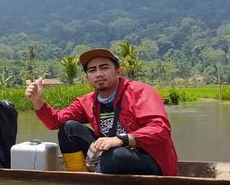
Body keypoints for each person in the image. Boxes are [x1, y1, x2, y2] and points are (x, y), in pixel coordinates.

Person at [25, 48, 178, 176]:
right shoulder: (87, 101)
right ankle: (81, 176)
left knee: (117, 155)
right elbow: (56, 121)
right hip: (108, 155)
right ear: (87, 78)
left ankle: (98, 182)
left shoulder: (140, 92)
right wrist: (37, 101)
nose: (98, 74)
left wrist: (121, 139)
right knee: (68, 128)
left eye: (104, 68)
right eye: (92, 70)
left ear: (118, 72)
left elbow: (160, 129)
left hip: (148, 159)